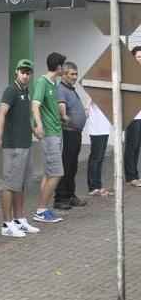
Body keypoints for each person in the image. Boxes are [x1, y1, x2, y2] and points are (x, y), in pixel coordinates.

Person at [0, 60, 41, 238]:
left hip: (25, 143)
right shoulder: (11, 90)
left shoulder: (25, 91)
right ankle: (6, 223)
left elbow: (24, 117)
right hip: (13, 145)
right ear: (16, 72)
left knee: (20, 184)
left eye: (28, 72)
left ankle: (19, 219)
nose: (26, 75)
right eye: (23, 72)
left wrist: (34, 129)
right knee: (10, 184)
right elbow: (1, 112)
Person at [31, 52, 67, 224]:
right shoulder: (42, 82)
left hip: (57, 131)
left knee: (48, 173)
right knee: (57, 173)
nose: (64, 68)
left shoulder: (54, 82)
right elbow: (35, 104)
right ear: (58, 67)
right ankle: (41, 210)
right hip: (50, 135)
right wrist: (39, 125)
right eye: (63, 66)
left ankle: (43, 209)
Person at [55, 61, 88, 210]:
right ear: (64, 75)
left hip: (76, 132)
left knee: (73, 166)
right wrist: (65, 116)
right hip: (68, 132)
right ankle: (60, 198)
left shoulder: (71, 89)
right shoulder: (61, 89)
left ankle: (70, 195)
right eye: (72, 74)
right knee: (67, 165)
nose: (75, 77)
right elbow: (61, 105)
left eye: (76, 74)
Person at [86, 98, 112, 197]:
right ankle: (93, 187)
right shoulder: (92, 92)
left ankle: (98, 186)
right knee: (96, 157)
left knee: (100, 158)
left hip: (105, 128)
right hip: (96, 129)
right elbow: (87, 108)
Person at [124, 45, 141, 188]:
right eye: (139, 57)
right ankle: (131, 176)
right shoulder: (128, 74)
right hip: (133, 115)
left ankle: (135, 175)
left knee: (137, 146)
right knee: (132, 145)